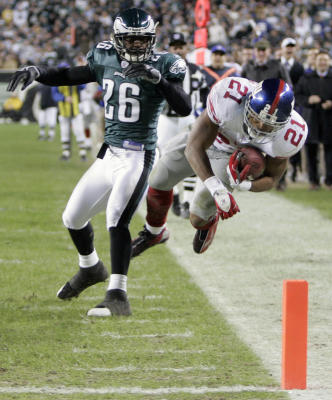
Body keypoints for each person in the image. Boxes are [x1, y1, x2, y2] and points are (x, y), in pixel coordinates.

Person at [7, 8, 191, 316]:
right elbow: (71, 75)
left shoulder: (166, 63)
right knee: (72, 217)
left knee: (116, 219)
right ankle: (90, 268)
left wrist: (157, 79)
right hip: (110, 154)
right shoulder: (104, 56)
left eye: (141, 40)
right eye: (130, 40)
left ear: (152, 39)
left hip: (138, 154)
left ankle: (118, 296)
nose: (136, 46)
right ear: (118, 40)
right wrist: (38, 72)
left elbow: (183, 106)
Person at [132, 78, 307, 257]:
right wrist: (215, 187)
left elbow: (272, 178)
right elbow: (194, 147)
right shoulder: (228, 96)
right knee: (158, 179)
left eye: (270, 126)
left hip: (231, 158)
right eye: (256, 118)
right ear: (247, 102)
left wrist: (244, 185)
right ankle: (154, 233)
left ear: (284, 123)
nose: (261, 127)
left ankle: (209, 220)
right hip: (207, 141)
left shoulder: (292, 134)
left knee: (198, 218)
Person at [157, 32, 208, 219]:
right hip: (166, 118)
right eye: (174, 46)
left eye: (181, 46)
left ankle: (187, 201)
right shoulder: (162, 69)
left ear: (187, 48)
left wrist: (200, 113)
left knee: (191, 157)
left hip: (188, 119)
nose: (178, 50)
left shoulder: (195, 70)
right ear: (169, 49)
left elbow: (204, 94)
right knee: (165, 157)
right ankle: (175, 197)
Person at [295, 49, 332, 190]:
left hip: (329, 119)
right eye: (320, 60)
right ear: (315, 62)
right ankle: (313, 181)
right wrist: (308, 99)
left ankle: (329, 181)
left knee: (330, 151)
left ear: (328, 61)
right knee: (311, 151)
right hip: (312, 119)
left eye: (325, 59)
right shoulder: (306, 78)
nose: (322, 62)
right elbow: (297, 96)